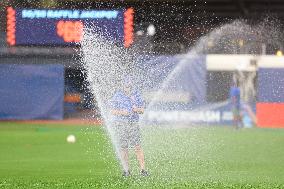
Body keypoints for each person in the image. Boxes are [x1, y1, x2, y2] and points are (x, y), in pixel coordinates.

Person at [109, 77, 148, 177]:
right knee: (123, 147)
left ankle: (143, 170)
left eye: (129, 86)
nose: (127, 88)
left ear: (131, 86)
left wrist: (137, 109)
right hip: (121, 124)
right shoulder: (117, 95)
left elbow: (142, 110)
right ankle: (127, 171)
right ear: (123, 86)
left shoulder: (136, 94)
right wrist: (122, 112)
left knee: (137, 147)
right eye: (126, 86)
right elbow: (112, 111)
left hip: (133, 123)